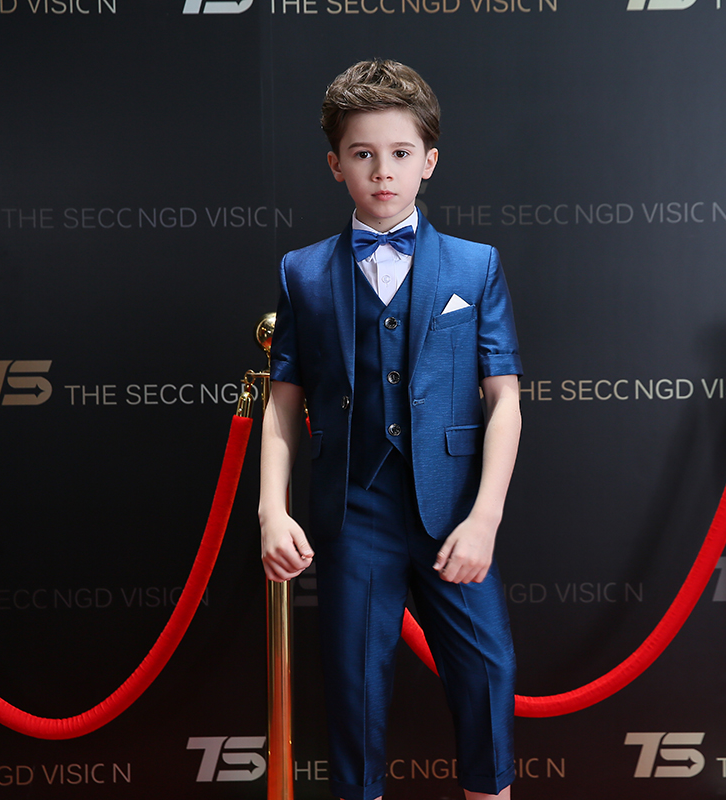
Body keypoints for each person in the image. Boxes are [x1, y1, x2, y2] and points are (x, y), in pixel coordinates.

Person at [258, 59, 522, 800]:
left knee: (489, 675)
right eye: (363, 153)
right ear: (335, 164)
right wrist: (272, 509)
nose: (383, 171)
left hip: (454, 514)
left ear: (429, 161)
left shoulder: (476, 266)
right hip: (354, 513)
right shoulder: (303, 272)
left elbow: (504, 399)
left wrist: (484, 520)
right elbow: (283, 403)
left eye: (401, 153)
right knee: (354, 692)